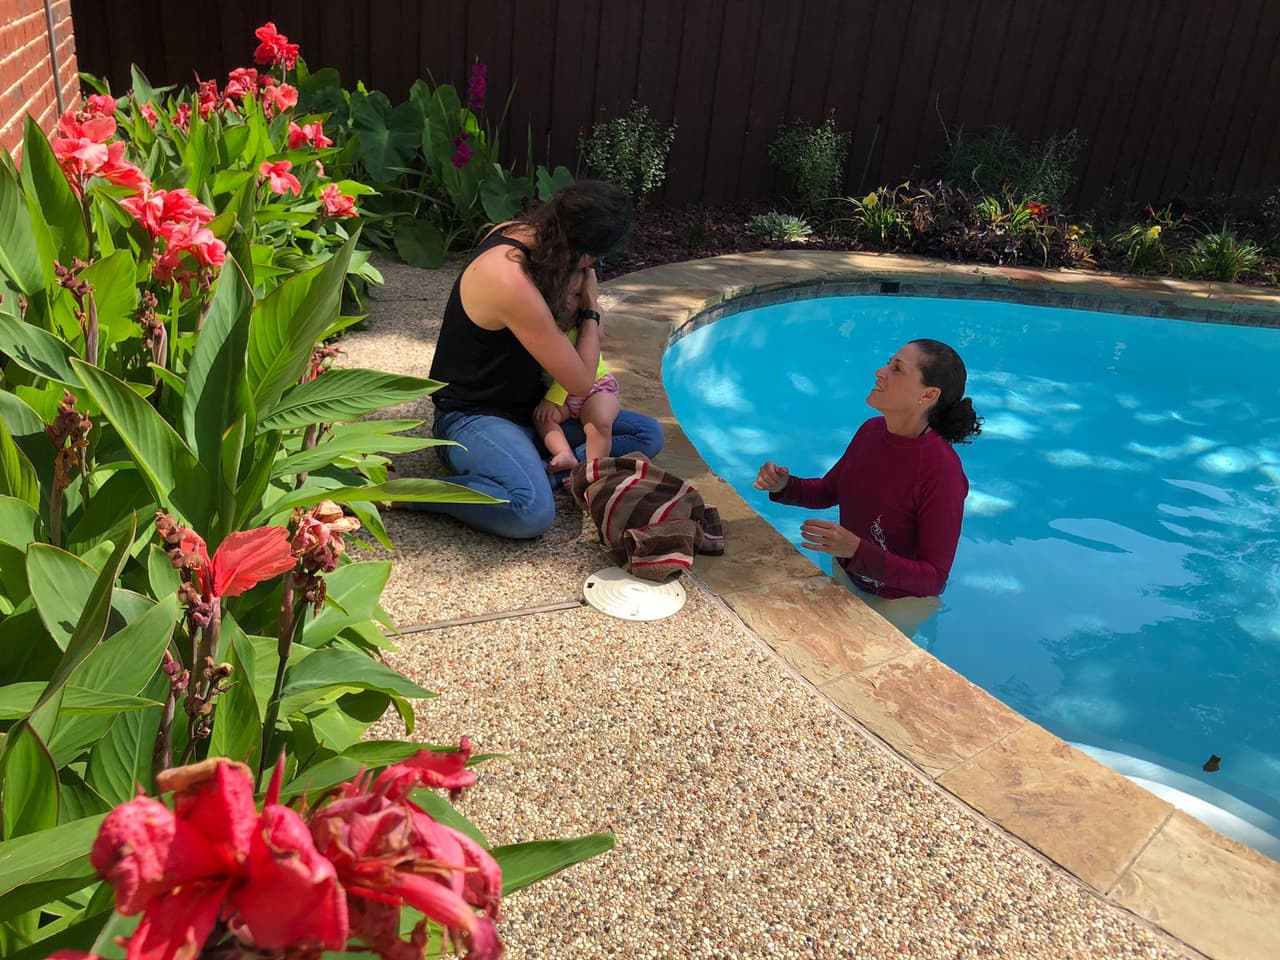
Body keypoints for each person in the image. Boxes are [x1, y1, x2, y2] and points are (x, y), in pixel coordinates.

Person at [410, 180, 664, 538]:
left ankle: (541, 468)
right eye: (597, 261)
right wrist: (592, 308)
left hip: (532, 411)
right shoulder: (509, 277)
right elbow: (580, 380)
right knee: (530, 511)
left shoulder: (540, 243)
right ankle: (407, 491)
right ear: (586, 254)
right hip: (474, 417)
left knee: (645, 434)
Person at [754, 339, 981, 610]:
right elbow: (828, 491)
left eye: (897, 369)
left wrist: (856, 550)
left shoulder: (942, 471)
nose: (880, 372)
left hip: (897, 606)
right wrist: (784, 485)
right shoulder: (871, 431)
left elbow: (933, 578)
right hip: (845, 573)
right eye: (888, 363)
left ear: (928, 395)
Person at [534, 323, 619, 474]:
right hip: (563, 394)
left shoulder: (576, 327)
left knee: (599, 422)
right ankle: (564, 453)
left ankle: (591, 472)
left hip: (595, 387)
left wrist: (551, 400)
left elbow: (571, 369)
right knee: (542, 418)